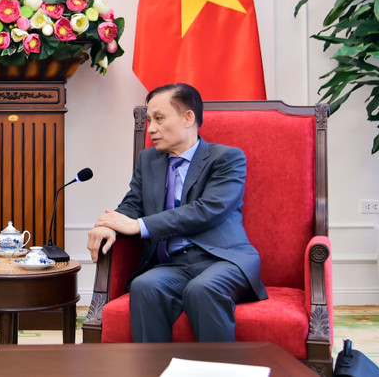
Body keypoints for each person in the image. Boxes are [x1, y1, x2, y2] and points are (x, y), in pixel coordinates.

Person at [86, 83, 267, 342]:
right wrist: (108, 225)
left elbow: (208, 210)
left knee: (202, 290)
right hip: (174, 264)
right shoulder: (148, 160)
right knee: (145, 286)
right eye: (149, 120)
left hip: (224, 260)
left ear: (187, 117)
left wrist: (140, 225)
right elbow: (132, 204)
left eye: (159, 119)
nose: (151, 129)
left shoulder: (226, 158)